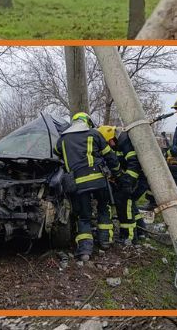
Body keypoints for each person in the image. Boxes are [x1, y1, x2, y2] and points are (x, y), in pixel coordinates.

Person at [55, 111, 118, 260]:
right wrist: (117, 173)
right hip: (98, 180)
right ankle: (105, 242)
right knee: (104, 208)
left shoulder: (63, 139)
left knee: (83, 216)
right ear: (87, 121)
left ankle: (85, 251)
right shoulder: (94, 134)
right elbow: (110, 156)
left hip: (77, 183)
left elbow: (57, 153)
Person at [99, 125, 142, 246]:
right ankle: (141, 231)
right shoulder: (118, 143)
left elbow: (134, 163)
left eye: (108, 143)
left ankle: (129, 237)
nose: (109, 146)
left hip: (134, 178)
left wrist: (127, 181)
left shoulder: (125, 142)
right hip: (126, 178)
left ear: (112, 138)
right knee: (130, 205)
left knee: (125, 204)